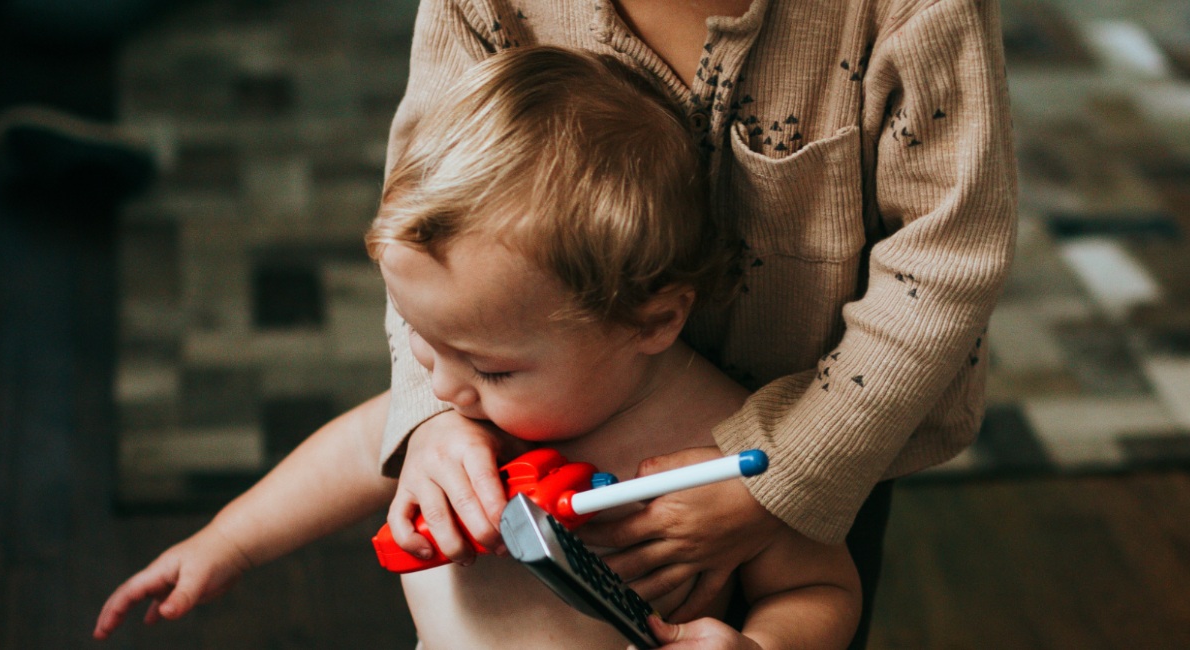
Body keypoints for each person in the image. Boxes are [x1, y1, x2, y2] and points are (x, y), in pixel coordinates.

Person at [95, 45, 862, 649]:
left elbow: (820, 590)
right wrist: (226, 544)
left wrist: (757, 646)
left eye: (493, 368)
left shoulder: (723, 444)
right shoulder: (458, 415)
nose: (451, 393)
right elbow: (360, 450)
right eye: (427, 349)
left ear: (651, 322)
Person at [380, 2, 1016, 648]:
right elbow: (421, 212)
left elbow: (945, 262)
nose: (451, 385)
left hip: (833, 443)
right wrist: (429, 418)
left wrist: (785, 479)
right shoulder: (467, 394)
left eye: (485, 368)